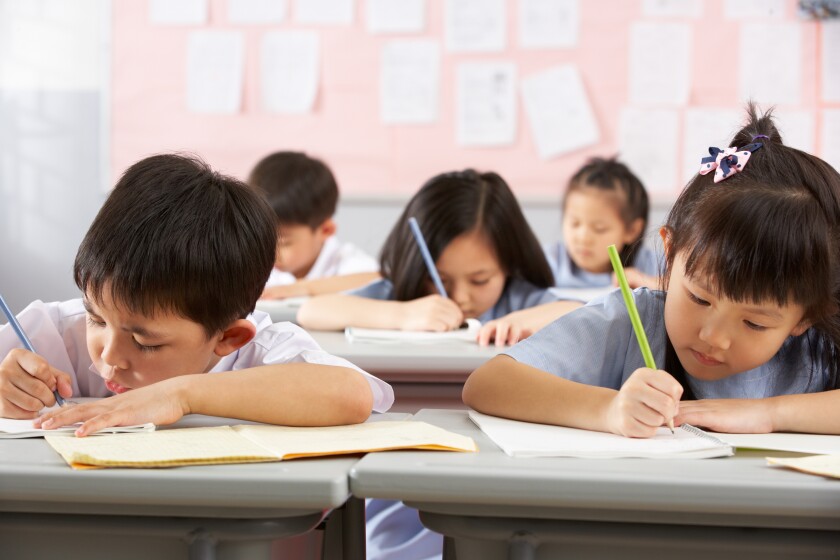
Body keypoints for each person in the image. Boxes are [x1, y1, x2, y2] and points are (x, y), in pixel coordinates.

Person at [463, 104, 840, 438]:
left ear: (803, 318)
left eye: (755, 323)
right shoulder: (632, 322)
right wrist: (607, 410)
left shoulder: (818, 348)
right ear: (671, 251)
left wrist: (768, 414)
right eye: (699, 298)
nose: (713, 337)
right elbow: (487, 384)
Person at [0, 153, 393, 435]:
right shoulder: (52, 333)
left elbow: (351, 394)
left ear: (227, 337)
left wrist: (182, 395)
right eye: (97, 319)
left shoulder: (265, 354)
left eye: (144, 342)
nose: (109, 357)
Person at [298, 169, 583, 347]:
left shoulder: (517, 299)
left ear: (509, 264)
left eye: (480, 280)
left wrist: (521, 321)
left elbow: (579, 312)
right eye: (441, 279)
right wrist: (402, 315)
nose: (460, 297)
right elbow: (311, 312)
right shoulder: (402, 295)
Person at [248, 151, 379, 300]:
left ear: (325, 230)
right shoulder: (258, 266)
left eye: (283, 243)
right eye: (261, 240)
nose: (269, 254)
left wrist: (302, 288)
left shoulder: (348, 263)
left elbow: (379, 279)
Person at [545, 156, 660, 294]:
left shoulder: (650, 264)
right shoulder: (550, 262)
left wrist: (646, 282)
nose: (583, 238)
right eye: (574, 224)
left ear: (632, 231)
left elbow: (684, 286)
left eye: (599, 229)